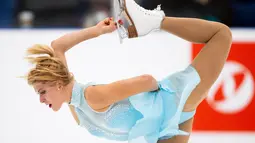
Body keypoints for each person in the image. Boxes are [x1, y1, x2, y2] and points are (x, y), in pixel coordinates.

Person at [24, 0, 232, 143]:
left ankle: (154, 21)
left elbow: (146, 80)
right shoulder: (74, 105)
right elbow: (57, 46)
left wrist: (159, 90)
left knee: (221, 34)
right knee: (221, 35)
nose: (41, 99)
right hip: (162, 128)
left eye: (42, 91)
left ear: (58, 85)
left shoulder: (92, 97)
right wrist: (96, 31)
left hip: (174, 102)